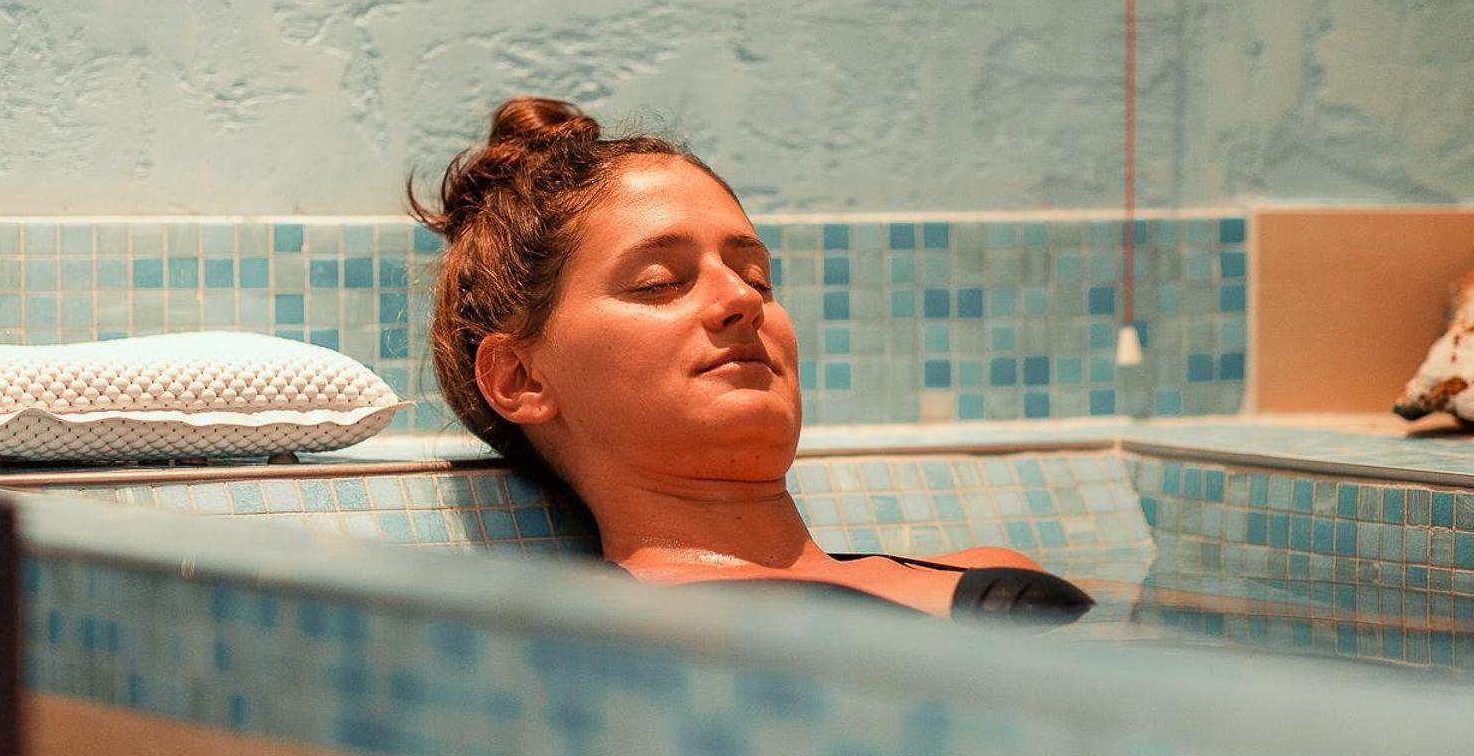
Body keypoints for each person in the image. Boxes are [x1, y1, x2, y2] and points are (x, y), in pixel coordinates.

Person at [407, 95, 1093, 626]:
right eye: (659, 283)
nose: (741, 299)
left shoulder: (992, 573)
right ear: (521, 378)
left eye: (758, 278)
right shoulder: (601, 640)